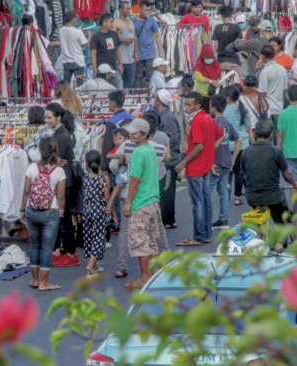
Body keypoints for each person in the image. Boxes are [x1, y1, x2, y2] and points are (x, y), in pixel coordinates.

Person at [175, 91, 223, 246]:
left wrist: (183, 163)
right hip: (205, 166)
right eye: (186, 104)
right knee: (206, 201)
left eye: (189, 105)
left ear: (197, 105)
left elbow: (199, 147)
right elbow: (220, 136)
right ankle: (206, 234)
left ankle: (199, 236)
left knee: (198, 203)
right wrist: (210, 151)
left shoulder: (196, 121)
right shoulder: (208, 117)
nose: (187, 107)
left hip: (195, 168)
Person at [20, 136, 66, 289]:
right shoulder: (59, 171)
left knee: (34, 246)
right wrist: (61, 209)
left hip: (32, 211)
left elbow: (26, 191)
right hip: (50, 212)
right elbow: (60, 196)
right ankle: (44, 283)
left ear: (40, 150)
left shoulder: (32, 167)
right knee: (47, 247)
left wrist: (22, 209)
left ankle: (34, 280)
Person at [122, 119, 161, 290]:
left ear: (144, 134)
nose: (131, 134)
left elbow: (135, 179)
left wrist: (128, 201)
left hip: (140, 202)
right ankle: (151, 276)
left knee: (140, 242)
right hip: (153, 200)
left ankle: (145, 277)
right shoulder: (151, 149)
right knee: (152, 240)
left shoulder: (138, 153)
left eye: (134, 132)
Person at [43, 104, 79, 267]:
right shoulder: (60, 134)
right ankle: (62, 250)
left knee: (63, 218)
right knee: (61, 218)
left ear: (58, 117)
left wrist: (52, 159)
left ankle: (69, 252)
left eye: (49, 117)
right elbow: (55, 159)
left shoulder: (61, 136)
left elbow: (55, 159)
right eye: (46, 117)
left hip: (62, 182)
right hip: (62, 181)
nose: (47, 120)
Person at [242, 118, 297, 224]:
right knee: (280, 219)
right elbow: (287, 175)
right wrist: (294, 184)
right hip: (272, 197)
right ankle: (281, 239)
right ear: (271, 134)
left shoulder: (246, 152)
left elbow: (245, 175)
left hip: (252, 197)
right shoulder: (276, 151)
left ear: (254, 134)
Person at [209, 94, 241, 229]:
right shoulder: (227, 123)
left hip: (215, 162)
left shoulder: (212, 123)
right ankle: (223, 219)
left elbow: (209, 145)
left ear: (214, 107)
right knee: (223, 192)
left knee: (207, 192)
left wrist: (209, 162)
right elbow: (239, 140)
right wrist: (233, 159)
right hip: (227, 160)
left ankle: (206, 220)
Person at [81, 150, 111, 278]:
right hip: (98, 210)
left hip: (86, 210)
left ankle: (94, 264)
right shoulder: (103, 178)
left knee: (89, 236)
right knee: (99, 237)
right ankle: (90, 265)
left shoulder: (85, 178)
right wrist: (113, 213)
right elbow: (107, 196)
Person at [156, 89, 182, 229]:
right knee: (165, 190)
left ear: (159, 100)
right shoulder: (164, 116)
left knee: (167, 190)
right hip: (167, 160)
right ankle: (167, 218)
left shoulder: (167, 118)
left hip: (169, 161)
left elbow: (173, 138)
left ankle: (168, 219)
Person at [223, 85, 251, 206]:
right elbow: (249, 129)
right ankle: (237, 197)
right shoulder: (243, 109)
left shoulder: (223, 110)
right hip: (243, 144)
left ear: (228, 97)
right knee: (239, 172)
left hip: (226, 144)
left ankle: (225, 195)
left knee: (227, 171)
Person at [258, 45, 288, 133]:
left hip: (268, 110)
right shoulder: (282, 69)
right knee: (278, 134)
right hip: (279, 108)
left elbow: (262, 94)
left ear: (262, 56)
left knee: (268, 134)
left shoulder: (265, 72)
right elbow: (284, 91)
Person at [132, 1, 161, 88]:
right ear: (140, 9)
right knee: (137, 77)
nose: (147, 12)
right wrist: (134, 53)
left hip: (150, 53)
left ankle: (151, 96)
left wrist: (160, 50)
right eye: (145, 10)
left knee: (151, 76)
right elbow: (132, 38)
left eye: (148, 10)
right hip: (138, 54)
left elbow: (157, 36)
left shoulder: (152, 21)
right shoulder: (133, 22)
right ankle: (136, 96)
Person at [59, 11, 89, 86]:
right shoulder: (78, 32)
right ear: (72, 19)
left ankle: (65, 97)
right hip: (78, 61)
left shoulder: (61, 30)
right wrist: (89, 35)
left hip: (66, 61)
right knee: (80, 85)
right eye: (75, 18)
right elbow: (87, 44)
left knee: (66, 84)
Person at [193, 44, 222, 112]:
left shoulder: (215, 63)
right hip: (202, 95)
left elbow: (219, 73)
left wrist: (218, 82)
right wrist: (211, 81)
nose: (209, 59)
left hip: (214, 93)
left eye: (211, 57)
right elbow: (199, 77)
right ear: (203, 56)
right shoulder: (199, 64)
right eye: (207, 58)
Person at [116, 2, 137, 88]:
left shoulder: (131, 22)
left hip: (131, 60)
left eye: (130, 8)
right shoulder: (115, 23)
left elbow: (135, 39)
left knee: (130, 85)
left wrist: (136, 54)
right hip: (120, 60)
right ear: (121, 10)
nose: (129, 10)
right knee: (119, 85)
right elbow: (112, 39)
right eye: (127, 9)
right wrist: (124, 40)